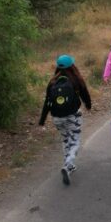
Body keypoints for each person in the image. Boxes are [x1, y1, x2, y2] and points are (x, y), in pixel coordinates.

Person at [38, 54, 92, 186]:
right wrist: (88, 105)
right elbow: (85, 94)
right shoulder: (75, 80)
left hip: (56, 117)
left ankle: (70, 165)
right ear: (72, 66)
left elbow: (47, 102)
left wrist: (42, 120)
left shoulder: (52, 82)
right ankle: (68, 164)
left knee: (65, 139)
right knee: (75, 142)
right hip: (73, 116)